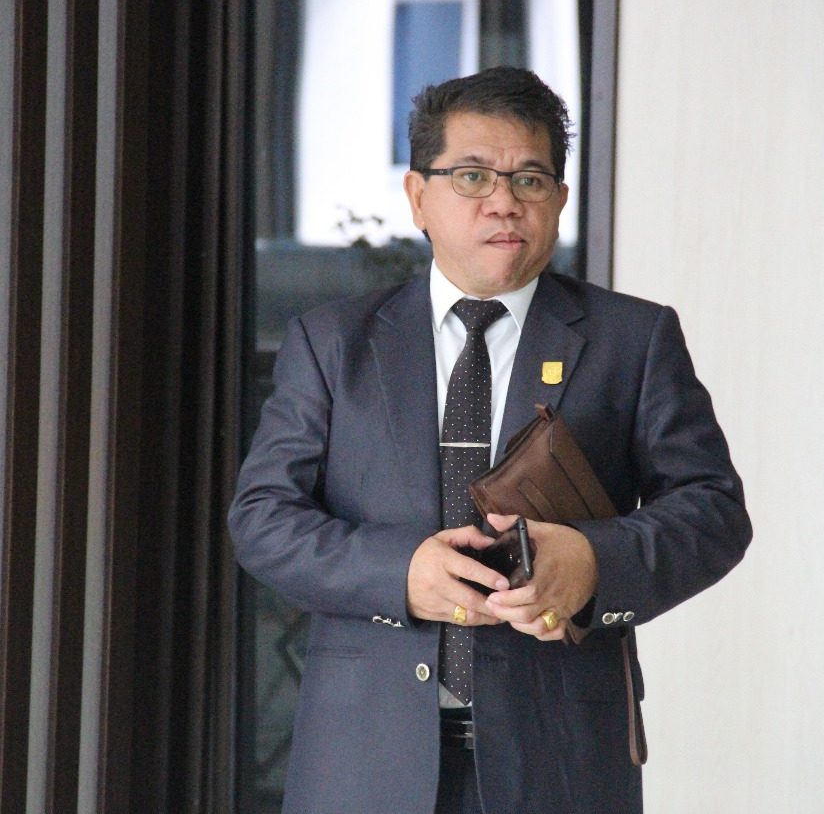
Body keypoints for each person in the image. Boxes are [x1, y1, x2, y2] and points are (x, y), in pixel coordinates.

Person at [229, 67, 751, 814]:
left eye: (529, 179)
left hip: (561, 761)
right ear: (418, 195)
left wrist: (593, 562)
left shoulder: (632, 339)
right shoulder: (333, 342)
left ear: (559, 201)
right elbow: (263, 517)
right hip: (363, 756)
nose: (503, 201)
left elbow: (713, 512)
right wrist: (400, 571)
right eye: (472, 176)